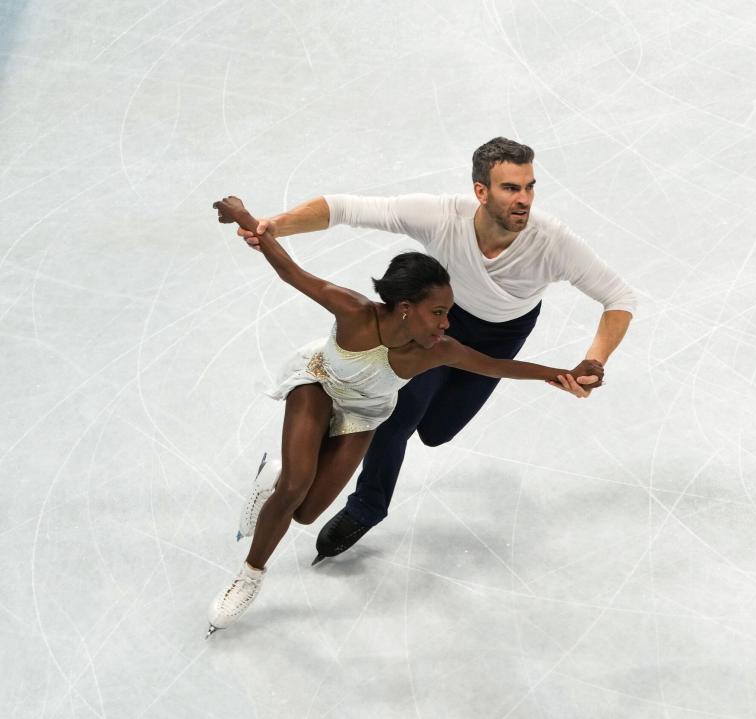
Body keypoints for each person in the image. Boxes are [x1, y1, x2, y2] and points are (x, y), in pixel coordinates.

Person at [206, 196, 602, 636]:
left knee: (305, 513)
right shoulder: (352, 311)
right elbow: (290, 270)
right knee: (297, 486)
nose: (447, 323)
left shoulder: (438, 351)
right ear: (406, 307)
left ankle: (272, 477)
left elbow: (497, 367)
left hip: (365, 414)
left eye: (448, 312)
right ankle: (249, 575)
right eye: (439, 312)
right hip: (318, 383)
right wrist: (246, 217)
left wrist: (564, 373)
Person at [232, 137, 637, 565]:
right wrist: (275, 225)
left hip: (503, 335)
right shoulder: (443, 216)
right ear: (480, 191)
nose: (524, 199)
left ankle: (304, 466)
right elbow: (344, 208)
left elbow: (619, 297)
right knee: (396, 418)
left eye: (529, 187)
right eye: (510, 188)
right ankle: (365, 505)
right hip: (439, 325)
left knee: (437, 431)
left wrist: (595, 359)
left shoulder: (552, 242)